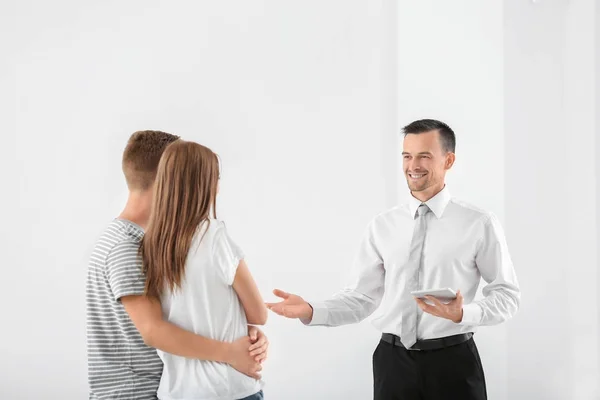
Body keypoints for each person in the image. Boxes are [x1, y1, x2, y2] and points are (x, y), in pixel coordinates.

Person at [266, 119, 520, 400]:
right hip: (392, 364)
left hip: (454, 362)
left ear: (449, 160)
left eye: (424, 156)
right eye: (407, 156)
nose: (414, 165)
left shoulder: (478, 223)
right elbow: (362, 298)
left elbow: (506, 296)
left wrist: (464, 314)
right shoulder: (383, 225)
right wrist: (311, 310)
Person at [86, 131, 268, 400]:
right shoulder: (126, 246)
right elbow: (154, 330)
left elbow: (190, 312)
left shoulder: (158, 243)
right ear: (169, 179)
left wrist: (242, 334)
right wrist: (230, 353)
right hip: (134, 395)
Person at [140, 139, 267, 400]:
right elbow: (259, 313)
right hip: (228, 388)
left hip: (176, 392)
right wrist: (250, 330)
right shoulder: (215, 237)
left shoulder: (149, 245)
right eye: (216, 178)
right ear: (205, 185)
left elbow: (160, 325)